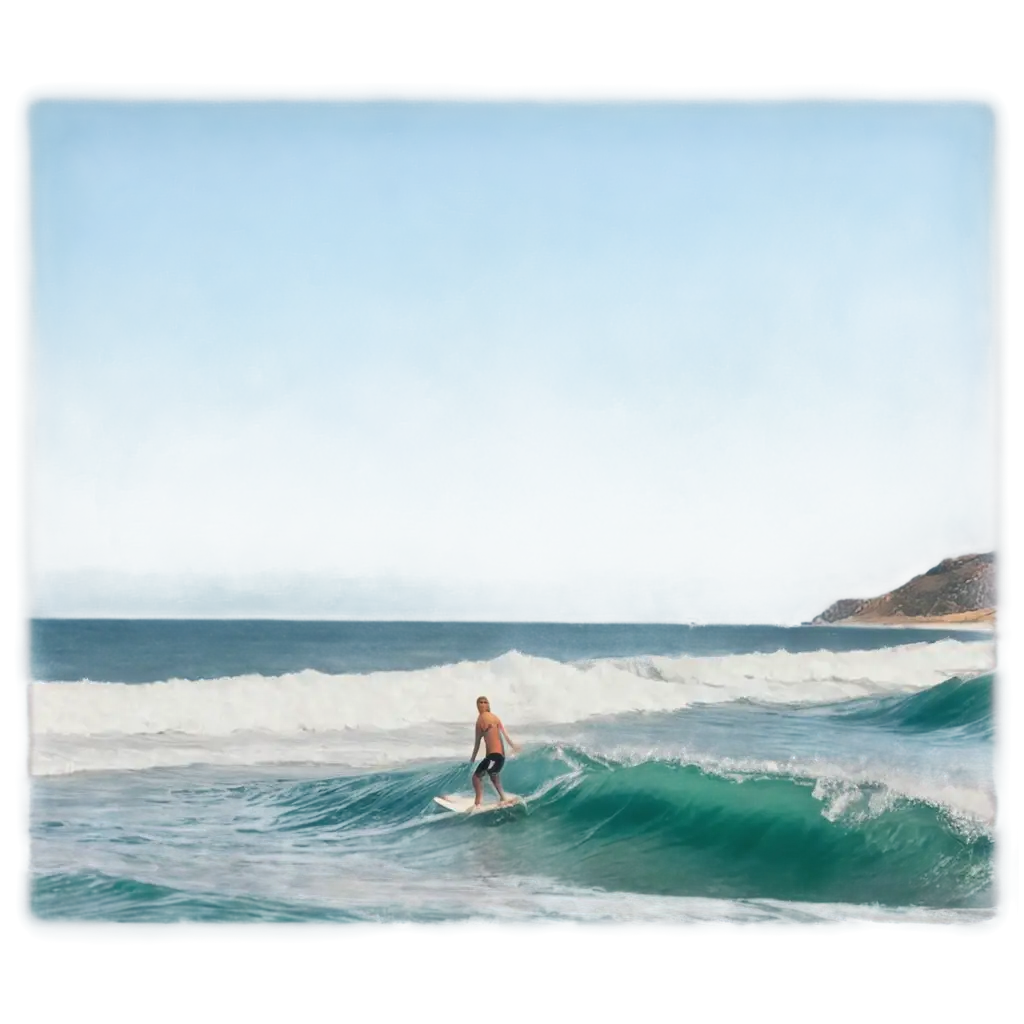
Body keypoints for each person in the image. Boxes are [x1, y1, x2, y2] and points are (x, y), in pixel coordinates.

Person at [469, 695, 519, 806]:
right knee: (493, 776)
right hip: (499, 757)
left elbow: (477, 743)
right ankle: (503, 798)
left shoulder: (480, 720)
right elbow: (505, 736)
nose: (482, 704)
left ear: (488, 705)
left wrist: (472, 758)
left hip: (494, 757)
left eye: (484, 702)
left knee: (476, 777)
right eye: (480, 702)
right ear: (477, 705)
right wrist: (513, 746)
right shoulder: (495, 718)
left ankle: (478, 803)